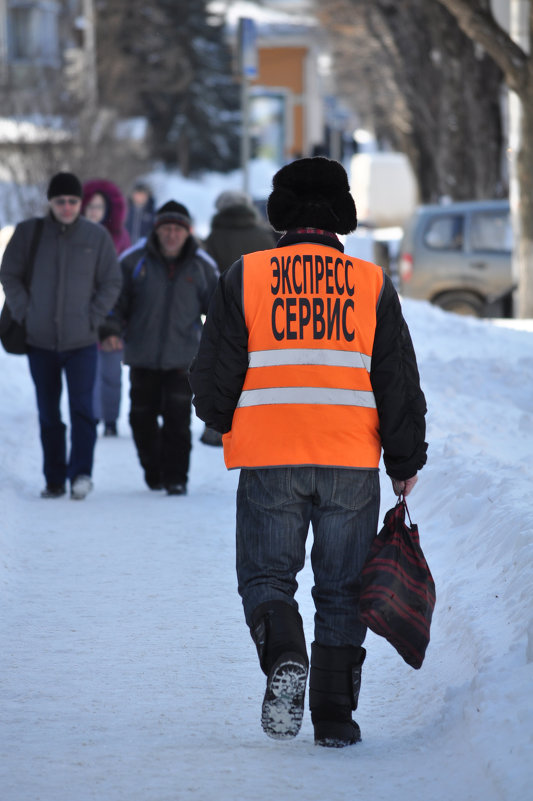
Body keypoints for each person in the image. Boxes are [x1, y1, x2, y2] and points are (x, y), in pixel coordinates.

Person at [189, 157, 427, 747]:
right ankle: (336, 717)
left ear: (282, 213)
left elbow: (215, 374)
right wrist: (405, 461)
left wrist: (219, 418)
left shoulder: (247, 276)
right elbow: (396, 381)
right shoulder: (371, 283)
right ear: (341, 216)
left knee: (268, 575)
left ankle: (285, 660)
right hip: (351, 459)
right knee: (342, 587)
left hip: (270, 455)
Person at [0, 171, 122, 500]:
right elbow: (8, 274)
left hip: (82, 342)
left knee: (83, 410)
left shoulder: (96, 237)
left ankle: (81, 473)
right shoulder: (29, 233)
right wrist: (26, 311)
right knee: (49, 412)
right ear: (50, 202)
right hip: (39, 341)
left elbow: (112, 281)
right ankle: (54, 477)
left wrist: (93, 316)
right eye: (60, 201)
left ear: (80, 203)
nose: (66, 207)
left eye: (72, 201)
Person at [100, 200, 219, 495]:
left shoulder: (202, 266)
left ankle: (177, 478)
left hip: (183, 358)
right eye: (166, 228)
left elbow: (218, 310)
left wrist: (218, 346)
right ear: (156, 230)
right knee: (141, 418)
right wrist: (111, 329)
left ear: (188, 232)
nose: (171, 234)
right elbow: (115, 302)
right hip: (142, 355)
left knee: (178, 419)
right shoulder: (133, 260)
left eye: (178, 229)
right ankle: (154, 470)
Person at [82, 179, 131, 437]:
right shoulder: (73, 236)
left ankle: (110, 419)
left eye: (99, 207)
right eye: (90, 206)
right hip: (80, 317)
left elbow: (124, 279)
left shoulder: (120, 238)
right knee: (87, 373)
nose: (94, 211)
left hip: (112, 316)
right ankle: (90, 416)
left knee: (111, 373)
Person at [204, 190, 278, 274]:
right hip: (261, 286)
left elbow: (209, 273)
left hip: (228, 286)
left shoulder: (214, 238)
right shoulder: (265, 235)